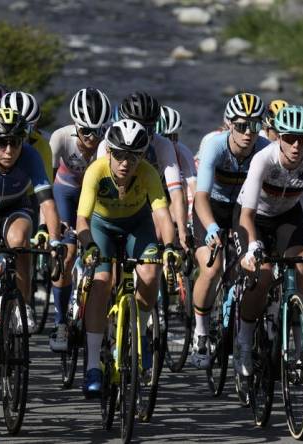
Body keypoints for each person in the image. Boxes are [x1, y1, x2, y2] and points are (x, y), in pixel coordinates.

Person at [76, 119, 180, 396]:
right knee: (101, 283)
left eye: (133, 156)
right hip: (102, 226)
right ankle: (92, 366)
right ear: (108, 151)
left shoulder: (147, 173)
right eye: (120, 154)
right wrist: (88, 246)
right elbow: (82, 219)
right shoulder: (95, 171)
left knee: (150, 272)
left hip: (137, 224)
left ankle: (141, 335)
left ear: (142, 156)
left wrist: (170, 246)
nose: (125, 162)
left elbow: (162, 214)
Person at [234, 105, 303, 376]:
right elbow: (246, 214)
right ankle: (244, 344)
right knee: (263, 276)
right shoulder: (263, 159)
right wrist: (253, 245)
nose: (295, 145)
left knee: (300, 264)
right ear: (278, 136)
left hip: (287, 215)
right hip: (253, 215)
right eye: (290, 138)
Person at [0, 107, 62, 364]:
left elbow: (47, 202)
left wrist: (55, 241)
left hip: (14, 207)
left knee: (20, 240)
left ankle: (24, 304)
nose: (8, 150)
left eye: (15, 142)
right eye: (1, 142)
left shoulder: (31, 156)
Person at [189, 92, 269, 369]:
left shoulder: (264, 148)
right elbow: (200, 197)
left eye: (255, 125)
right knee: (212, 267)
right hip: (210, 207)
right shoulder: (215, 146)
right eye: (241, 126)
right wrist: (211, 228)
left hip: (240, 210)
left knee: (249, 265)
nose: (248, 133)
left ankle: (236, 315)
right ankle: (200, 332)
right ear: (228, 125)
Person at [47, 87, 111, 352]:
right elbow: (46, 186)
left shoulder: (108, 142)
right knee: (67, 254)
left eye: (99, 131)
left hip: (95, 198)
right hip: (66, 194)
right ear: (76, 127)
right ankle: (61, 322)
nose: (93, 138)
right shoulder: (60, 138)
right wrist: (51, 223)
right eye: (86, 132)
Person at [107, 91, 188, 248]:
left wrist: (183, 230)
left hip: (145, 197)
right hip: (116, 197)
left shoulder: (163, 145)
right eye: (138, 127)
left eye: (149, 129)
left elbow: (176, 193)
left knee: (158, 236)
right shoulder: (108, 143)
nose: (143, 134)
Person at [0, 91, 53, 183]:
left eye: (27, 127)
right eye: (10, 126)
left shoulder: (42, 144)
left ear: (35, 125)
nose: (19, 133)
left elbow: (45, 184)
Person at [158, 105, 196, 221]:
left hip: (170, 194)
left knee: (181, 190)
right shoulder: (147, 152)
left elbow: (196, 190)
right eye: (166, 137)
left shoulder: (183, 151)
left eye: (174, 137)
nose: (171, 142)